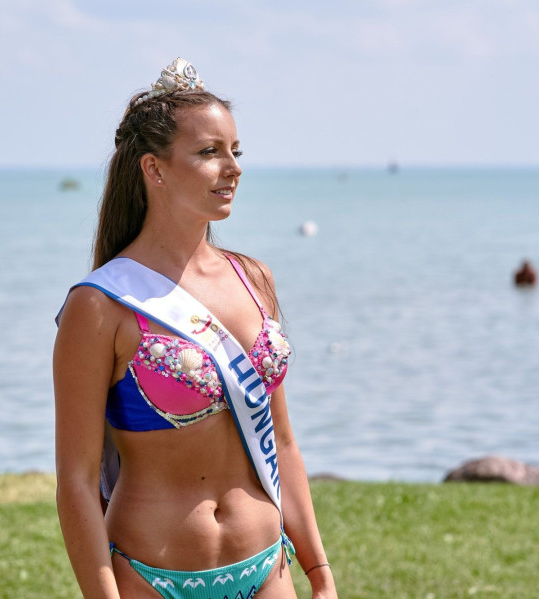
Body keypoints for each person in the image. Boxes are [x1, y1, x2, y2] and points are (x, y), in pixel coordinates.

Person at [53, 58, 337, 599]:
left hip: (267, 567)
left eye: (236, 152)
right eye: (209, 152)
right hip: (150, 576)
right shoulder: (99, 305)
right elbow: (77, 481)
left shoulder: (254, 279)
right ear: (154, 169)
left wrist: (320, 573)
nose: (232, 168)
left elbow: (281, 440)